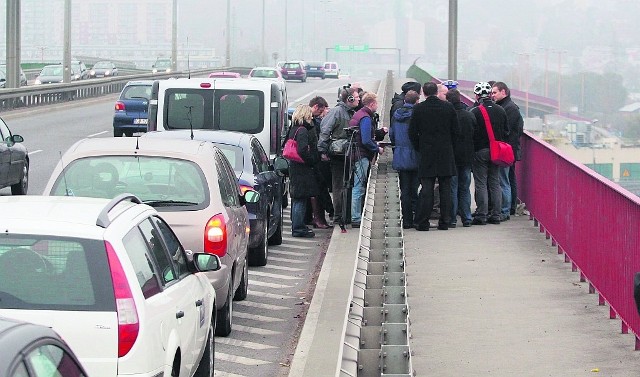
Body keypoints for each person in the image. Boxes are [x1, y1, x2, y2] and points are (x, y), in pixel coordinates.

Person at [409, 82, 460, 231]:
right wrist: (450, 147)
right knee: (446, 189)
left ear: (423, 93)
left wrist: (420, 147)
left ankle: (423, 222)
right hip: (445, 153)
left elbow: (412, 132)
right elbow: (456, 131)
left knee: (427, 189)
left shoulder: (419, 109)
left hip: (427, 153)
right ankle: (445, 221)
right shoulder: (448, 107)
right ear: (437, 92)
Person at [318, 87, 361, 230]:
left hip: (348, 153)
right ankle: (338, 215)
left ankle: (344, 214)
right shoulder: (337, 112)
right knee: (338, 186)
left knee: (344, 185)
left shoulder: (349, 112)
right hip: (339, 154)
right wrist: (323, 150)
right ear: (349, 99)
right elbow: (325, 131)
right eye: (356, 97)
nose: (359, 99)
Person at [469, 82, 508, 225]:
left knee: (481, 183)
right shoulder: (501, 110)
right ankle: (496, 214)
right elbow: (506, 131)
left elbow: (471, 133)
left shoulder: (474, 112)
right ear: (490, 94)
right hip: (497, 151)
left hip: (480, 151)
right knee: (495, 182)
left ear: (477, 95)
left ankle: (482, 214)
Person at [348, 92, 384, 228]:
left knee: (356, 185)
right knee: (359, 186)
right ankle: (356, 218)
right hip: (361, 155)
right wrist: (377, 148)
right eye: (377, 103)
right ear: (372, 104)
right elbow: (366, 140)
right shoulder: (366, 118)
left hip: (354, 153)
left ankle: (355, 215)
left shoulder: (358, 114)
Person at [287, 104, 320, 238]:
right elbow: (302, 149)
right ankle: (298, 227)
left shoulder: (294, 128)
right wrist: (311, 159)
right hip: (302, 167)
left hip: (294, 166)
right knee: (300, 198)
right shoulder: (303, 131)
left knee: (296, 197)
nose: (311, 117)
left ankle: (297, 224)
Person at [492, 81, 524, 219]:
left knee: (505, 180)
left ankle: (506, 209)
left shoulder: (509, 109)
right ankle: (508, 208)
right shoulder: (507, 106)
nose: (492, 95)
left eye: (495, 92)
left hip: (506, 150)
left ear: (503, 92)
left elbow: (507, 130)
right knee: (507, 179)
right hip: (508, 149)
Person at [390, 90, 420, 229]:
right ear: (417, 101)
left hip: (400, 154)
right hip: (415, 154)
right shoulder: (417, 115)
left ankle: (406, 220)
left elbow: (392, 134)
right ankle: (416, 216)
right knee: (415, 188)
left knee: (405, 189)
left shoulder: (397, 115)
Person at [446, 88, 476, 228]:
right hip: (467, 156)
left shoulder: (448, 116)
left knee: (453, 188)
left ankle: (452, 219)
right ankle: (467, 218)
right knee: (465, 188)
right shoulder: (469, 115)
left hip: (452, 157)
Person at [308, 96, 332, 228]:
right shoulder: (312, 122)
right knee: (318, 188)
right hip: (314, 161)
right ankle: (319, 218)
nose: (321, 114)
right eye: (321, 111)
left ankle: (315, 217)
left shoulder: (309, 121)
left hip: (312, 161)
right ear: (316, 107)